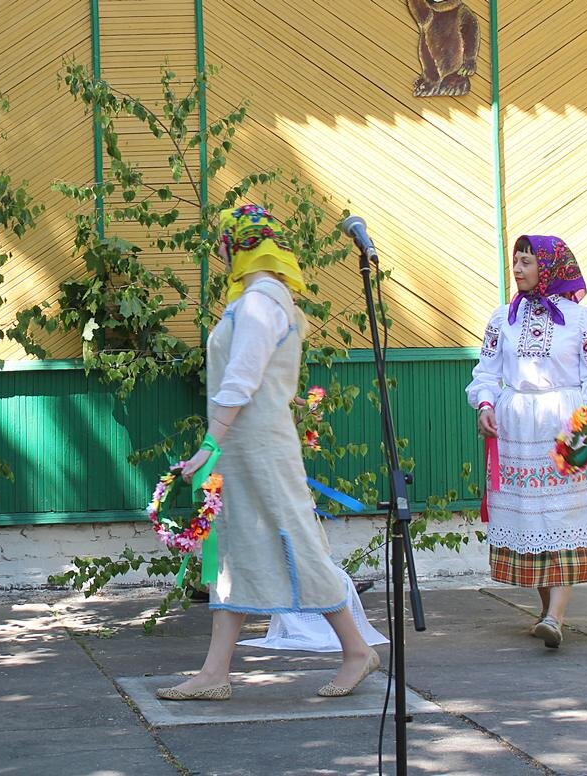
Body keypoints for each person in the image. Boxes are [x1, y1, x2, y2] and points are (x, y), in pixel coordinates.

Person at [160, 204, 380, 701]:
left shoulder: (261, 302)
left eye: (224, 243)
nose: (221, 253)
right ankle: (215, 672)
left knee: (295, 541)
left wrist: (210, 442)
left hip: (259, 446)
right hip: (244, 445)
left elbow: (242, 376)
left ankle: (356, 649)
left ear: (240, 245)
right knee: (233, 548)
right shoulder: (255, 301)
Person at [466, 235, 587, 649]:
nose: (518, 269)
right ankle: (548, 613)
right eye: (515, 261)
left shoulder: (580, 319)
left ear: (548, 268)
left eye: (527, 262)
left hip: (566, 428)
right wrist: (485, 404)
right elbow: (486, 373)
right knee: (530, 519)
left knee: (564, 517)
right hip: (518, 430)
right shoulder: (503, 319)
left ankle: (555, 616)